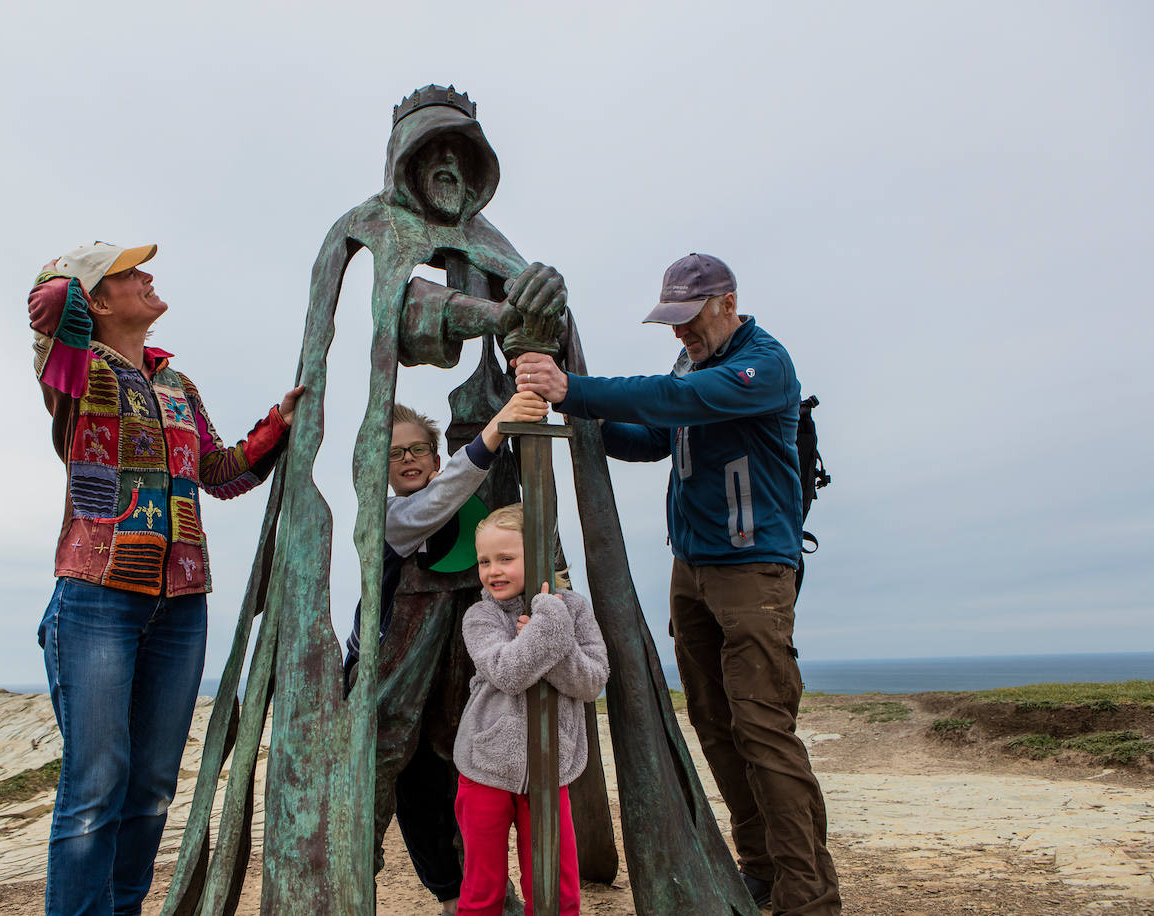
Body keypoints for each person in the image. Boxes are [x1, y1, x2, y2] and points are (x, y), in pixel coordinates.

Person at [513, 253, 841, 916]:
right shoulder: (691, 361)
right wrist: (581, 424)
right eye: (671, 322)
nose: (678, 335)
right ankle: (759, 872)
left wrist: (573, 388)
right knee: (717, 726)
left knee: (763, 729)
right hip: (691, 569)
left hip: (754, 571)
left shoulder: (764, 365)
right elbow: (655, 436)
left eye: (688, 319)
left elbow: (676, 402)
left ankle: (809, 897)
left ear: (727, 302)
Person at [26, 241, 302, 916]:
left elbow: (222, 474)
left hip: (182, 603)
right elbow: (48, 304)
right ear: (94, 300)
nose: (149, 278)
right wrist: (78, 275)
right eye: (128, 274)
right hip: (95, 595)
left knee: (151, 786)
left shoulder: (179, 386)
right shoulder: (73, 368)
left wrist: (277, 428)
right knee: (95, 785)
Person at [344, 391, 549, 914]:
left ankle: (481, 891)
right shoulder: (389, 516)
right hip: (393, 671)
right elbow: (440, 499)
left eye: (417, 450)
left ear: (436, 458)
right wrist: (496, 430)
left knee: (464, 780)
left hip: (458, 669)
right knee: (409, 785)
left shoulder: (475, 519)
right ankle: (450, 894)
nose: (408, 459)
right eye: (394, 454)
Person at [452, 504, 609, 916]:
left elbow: (592, 682)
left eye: (506, 558)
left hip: (551, 768)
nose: (493, 571)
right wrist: (545, 632)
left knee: (556, 891)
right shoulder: (480, 616)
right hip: (485, 764)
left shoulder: (572, 608)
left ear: (538, 555)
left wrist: (553, 628)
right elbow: (507, 672)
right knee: (483, 890)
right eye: (485, 561)